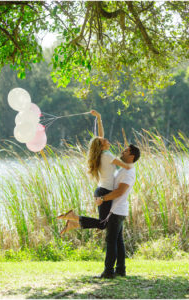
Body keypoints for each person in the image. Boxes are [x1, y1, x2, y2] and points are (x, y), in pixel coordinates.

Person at [57, 110, 132, 233]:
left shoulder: (102, 154)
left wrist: (99, 117)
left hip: (102, 190)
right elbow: (126, 166)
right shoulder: (107, 155)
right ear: (102, 146)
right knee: (103, 224)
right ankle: (74, 219)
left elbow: (100, 135)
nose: (107, 140)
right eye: (105, 141)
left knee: (104, 223)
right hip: (104, 192)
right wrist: (131, 162)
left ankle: (74, 223)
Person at [95, 143, 140, 279]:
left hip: (116, 210)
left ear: (131, 156)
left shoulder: (129, 172)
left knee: (111, 240)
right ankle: (121, 270)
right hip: (118, 210)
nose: (123, 151)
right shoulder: (124, 169)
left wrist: (103, 198)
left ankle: (108, 272)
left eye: (126, 151)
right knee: (118, 241)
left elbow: (120, 192)